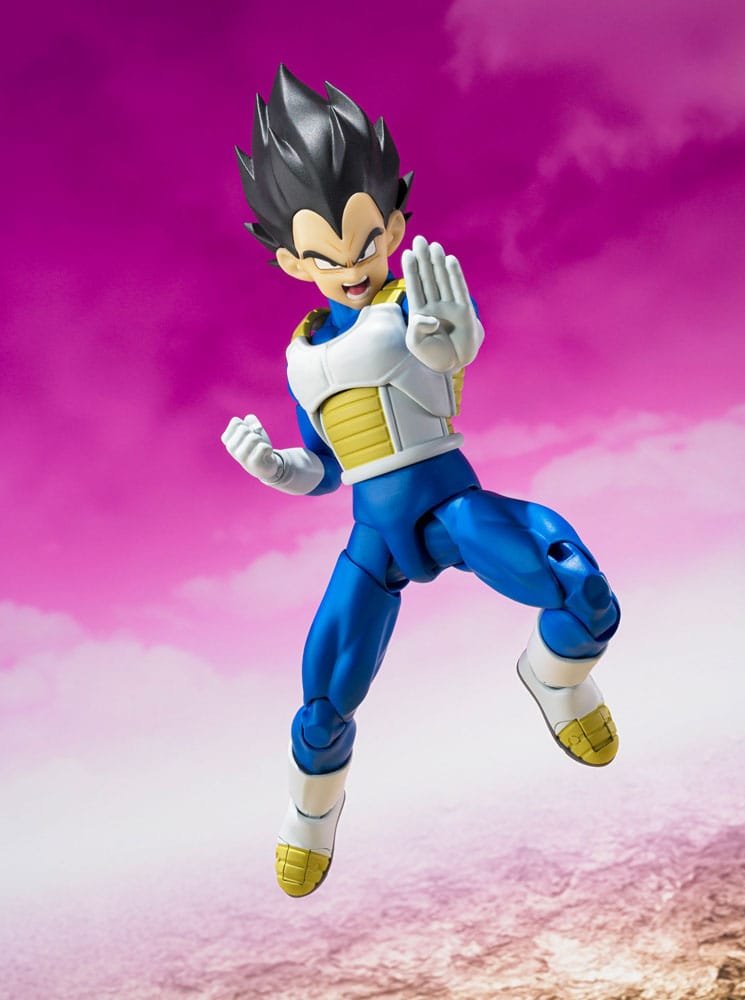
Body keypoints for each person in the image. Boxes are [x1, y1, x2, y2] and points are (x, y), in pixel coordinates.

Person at [223, 65, 621, 897]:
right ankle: (311, 816)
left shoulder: (414, 303)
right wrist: (278, 468)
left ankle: (554, 679)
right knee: (321, 710)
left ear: (396, 224)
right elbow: (326, 466)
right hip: (373, 539)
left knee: (583, 592)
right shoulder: (302, 359)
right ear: (291, 260)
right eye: (325, 255)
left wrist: (449, 346)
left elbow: (449, 352)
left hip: (450, 507)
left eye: (367, 242)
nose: (352, 266)